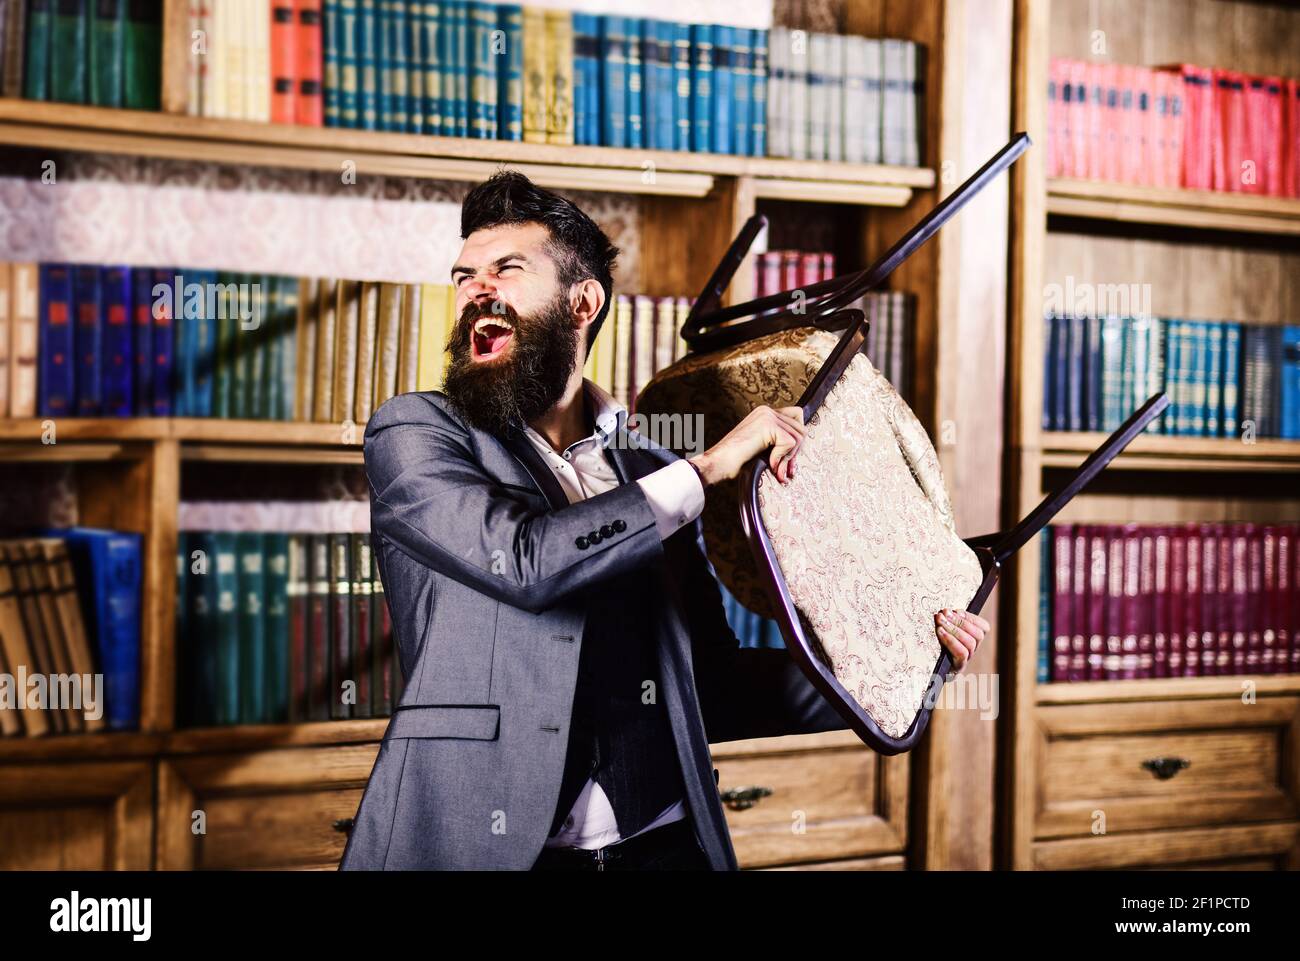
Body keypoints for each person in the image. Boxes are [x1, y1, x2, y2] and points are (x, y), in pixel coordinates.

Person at [337, 172, 989, 872]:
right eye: (464, 276)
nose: (477, 290)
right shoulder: (416, 433)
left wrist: (909, 660)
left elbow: (715, 680)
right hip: (477, 851)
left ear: (582, 302)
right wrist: (708, 470)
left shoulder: (651, 467)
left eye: (507, 269)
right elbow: (523, 560)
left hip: (665, 844)